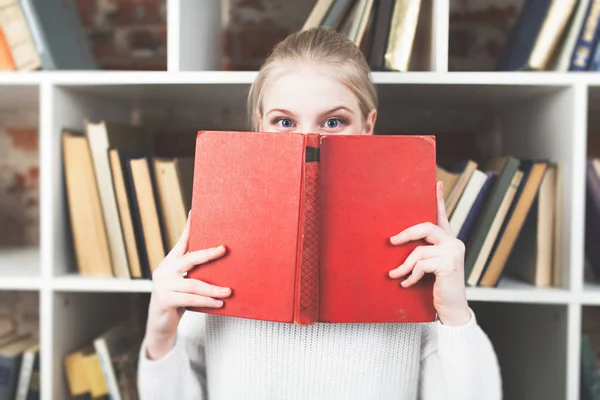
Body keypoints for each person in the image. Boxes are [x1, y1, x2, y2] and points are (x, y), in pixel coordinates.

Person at [137, 27, 502, 400]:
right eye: (284, 122)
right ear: (259, 126)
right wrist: (160, 333)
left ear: (368, 126)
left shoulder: (414, 257)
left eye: (333, 122)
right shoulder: (220, 249)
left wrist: (455, 313)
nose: (306, 142)